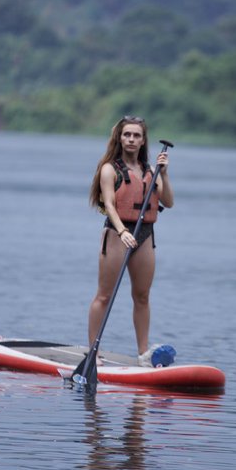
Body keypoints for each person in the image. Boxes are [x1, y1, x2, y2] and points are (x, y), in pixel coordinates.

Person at [87, 116, 174, 365]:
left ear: (143, 139)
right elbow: (110, 205)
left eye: (136, 135)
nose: (131, 139)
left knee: (142, 296)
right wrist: (122, 231)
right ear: (120, 138)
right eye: (127, 135)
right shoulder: (109, 169)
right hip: (117, 234)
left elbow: (168, 202)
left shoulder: (151, 171)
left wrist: (165, 175)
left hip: (145, 234)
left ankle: (143, 354)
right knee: (104, 295)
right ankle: (94, 352)